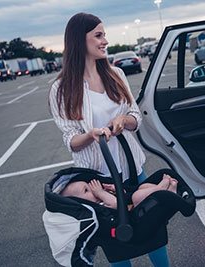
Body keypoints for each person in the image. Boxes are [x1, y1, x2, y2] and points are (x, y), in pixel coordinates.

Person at [49, 12, 170, 267]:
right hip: (98, 181)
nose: (105, 41)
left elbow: (135, 115)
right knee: (118, 243)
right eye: (98, 35)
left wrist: (123, 121)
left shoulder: (115, 73)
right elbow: (70, 139)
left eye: (104, 35)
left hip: (132, 169)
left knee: (153, 232)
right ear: (79, 41)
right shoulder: (61, 89)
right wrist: (91, 135)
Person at [61, 174, 178, 208]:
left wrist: (117, 190)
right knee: (137, 195)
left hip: (133, 204)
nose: (92, 189)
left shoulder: (102, 197)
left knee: (142, 187)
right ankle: (160, 188)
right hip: (134, 213)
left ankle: (170, 190)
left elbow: (123, 197)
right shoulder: (99, 206)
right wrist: (101, 193)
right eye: (86, 190)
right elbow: (117, 204)